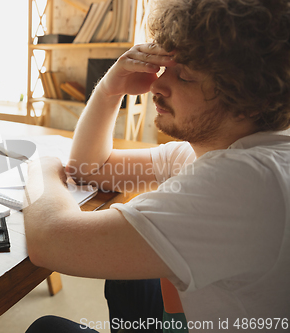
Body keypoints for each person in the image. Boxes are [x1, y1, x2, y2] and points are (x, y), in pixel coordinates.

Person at [23, 0, 290, 332]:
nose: (156, 84)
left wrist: (40, 168)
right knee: (132, 281)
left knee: (47, 328)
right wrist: (109, 88)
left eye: (186, 76)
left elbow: (49, 241)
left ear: (248, 96)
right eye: (165, 66)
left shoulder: (246, 181)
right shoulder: (222, 151)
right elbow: (91, 168)